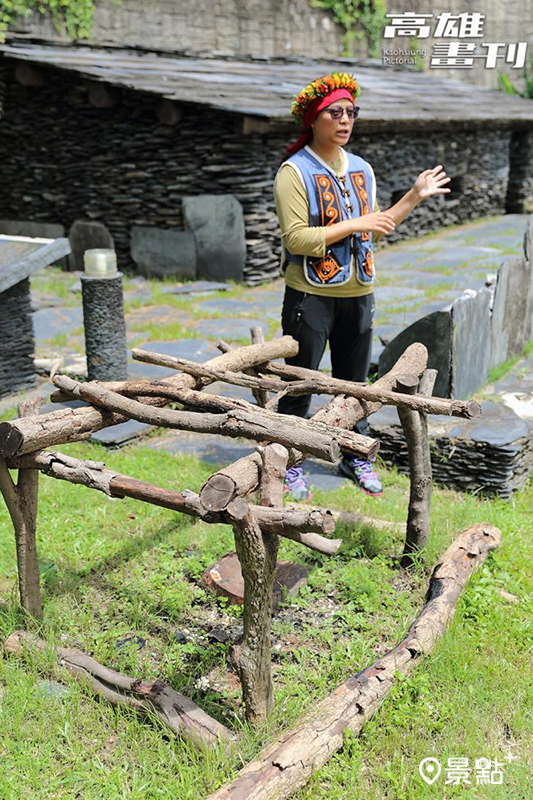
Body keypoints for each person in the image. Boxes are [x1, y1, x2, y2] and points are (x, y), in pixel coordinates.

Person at [274, 72, 450, 500]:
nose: (345, 119)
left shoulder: (361, 169)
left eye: (351, 112)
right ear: (313, 119)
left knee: (355, 385)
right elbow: (296, 239)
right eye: (335, 112)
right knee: (300, 383)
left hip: (358, 294)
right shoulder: (293, 172)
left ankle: (355, 454)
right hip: (311, 296)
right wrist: (355, 224)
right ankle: (288, 462)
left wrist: (413, 195)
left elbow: (377, 225)